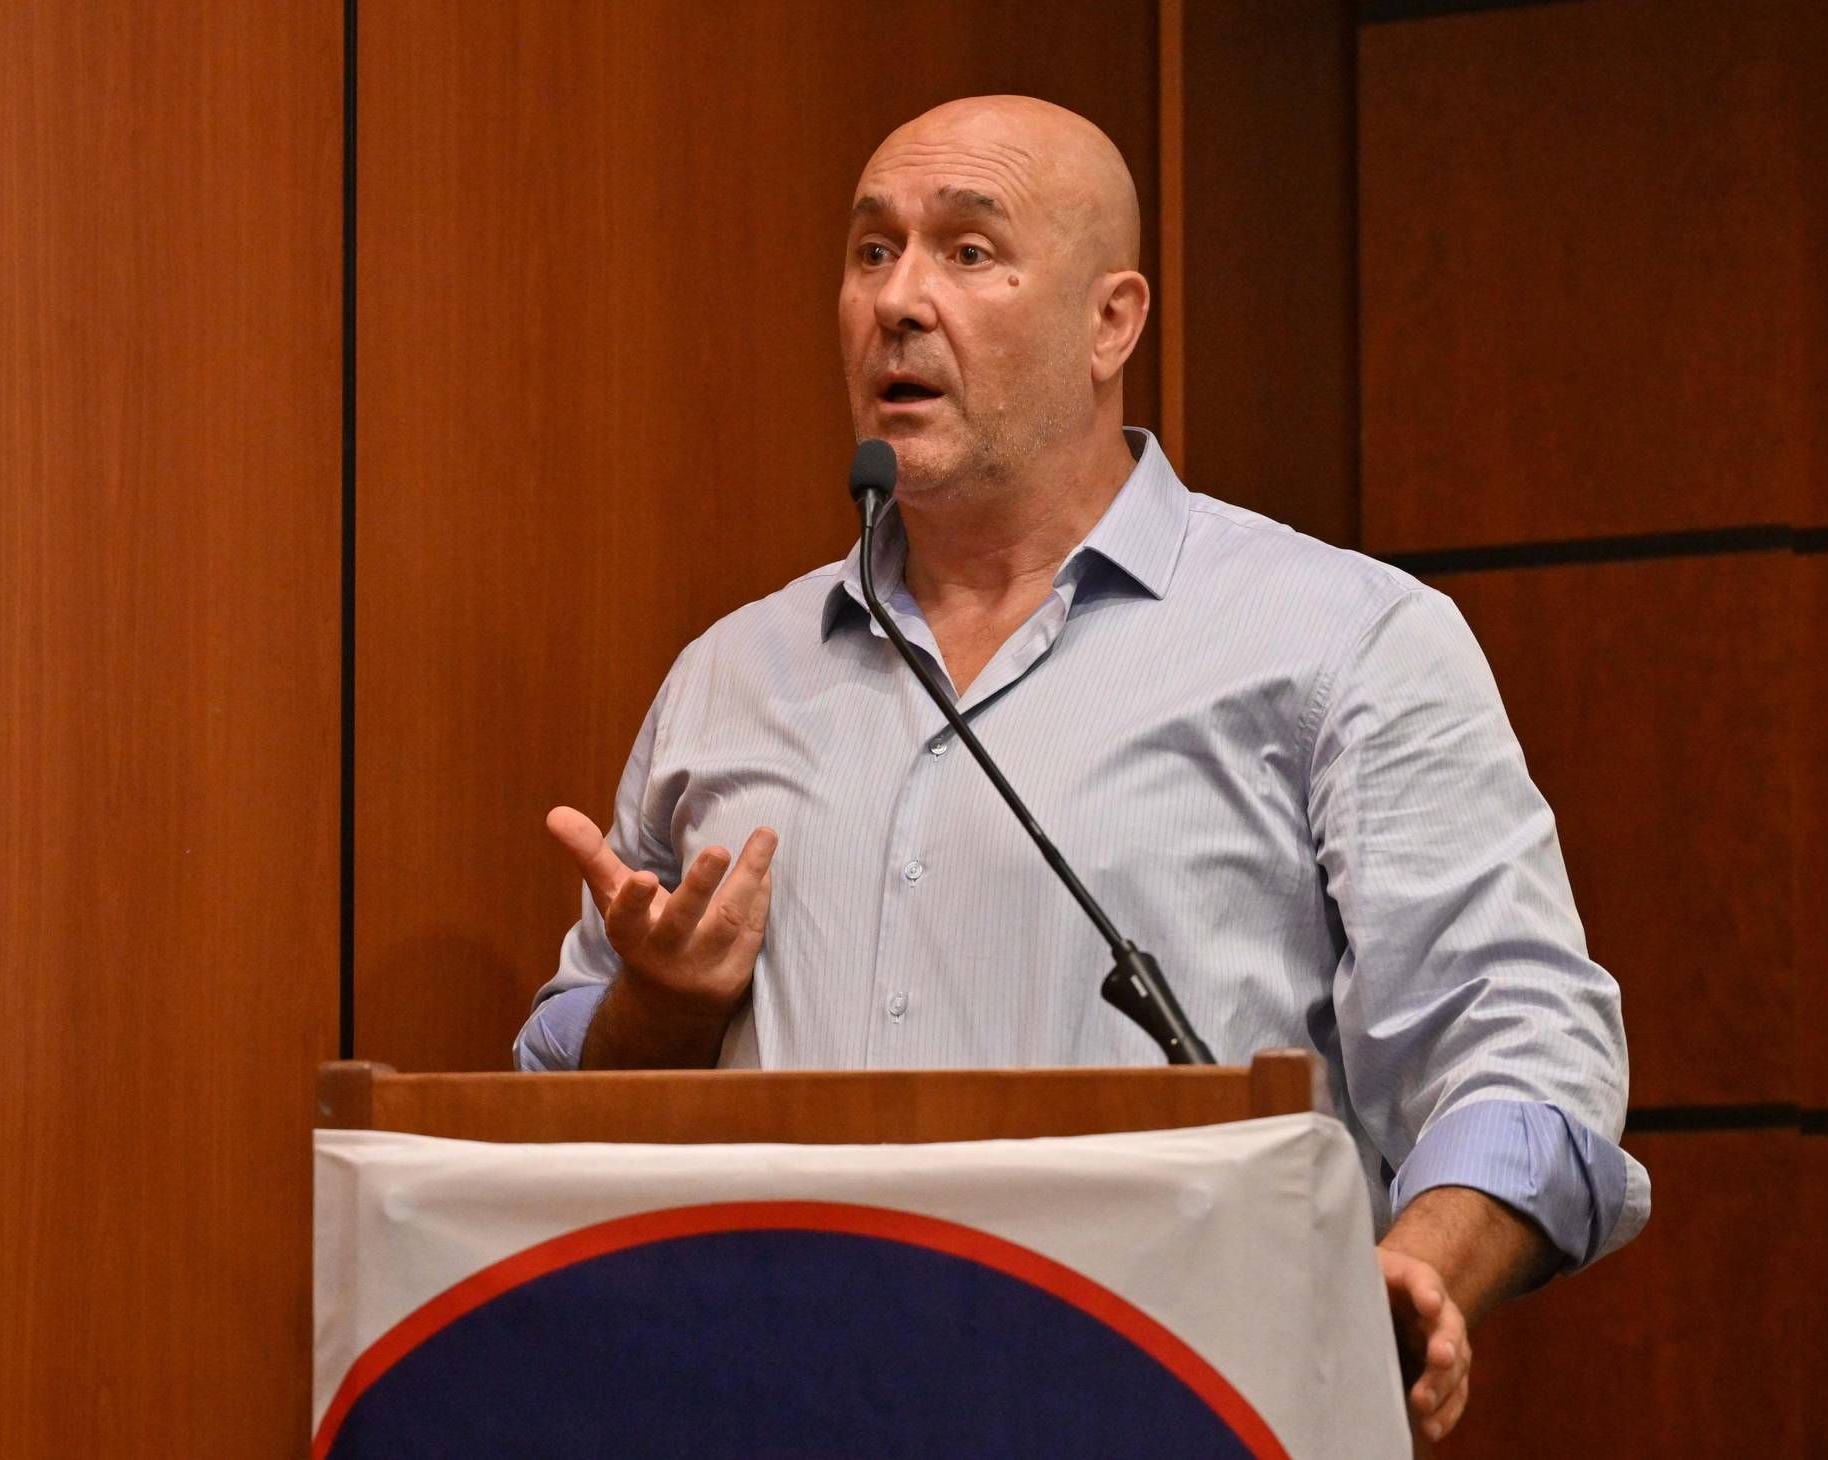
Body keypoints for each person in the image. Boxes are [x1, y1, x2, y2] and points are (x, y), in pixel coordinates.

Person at [514, 95, 1647, 1443]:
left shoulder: (1341, 640)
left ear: (1113, 322)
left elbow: (1523, 1042)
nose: (899, 301)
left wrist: (1417, 1272)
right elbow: (555, 1111)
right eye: (872, 252)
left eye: (969, 251)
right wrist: (659, 1010)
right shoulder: (732, 678)